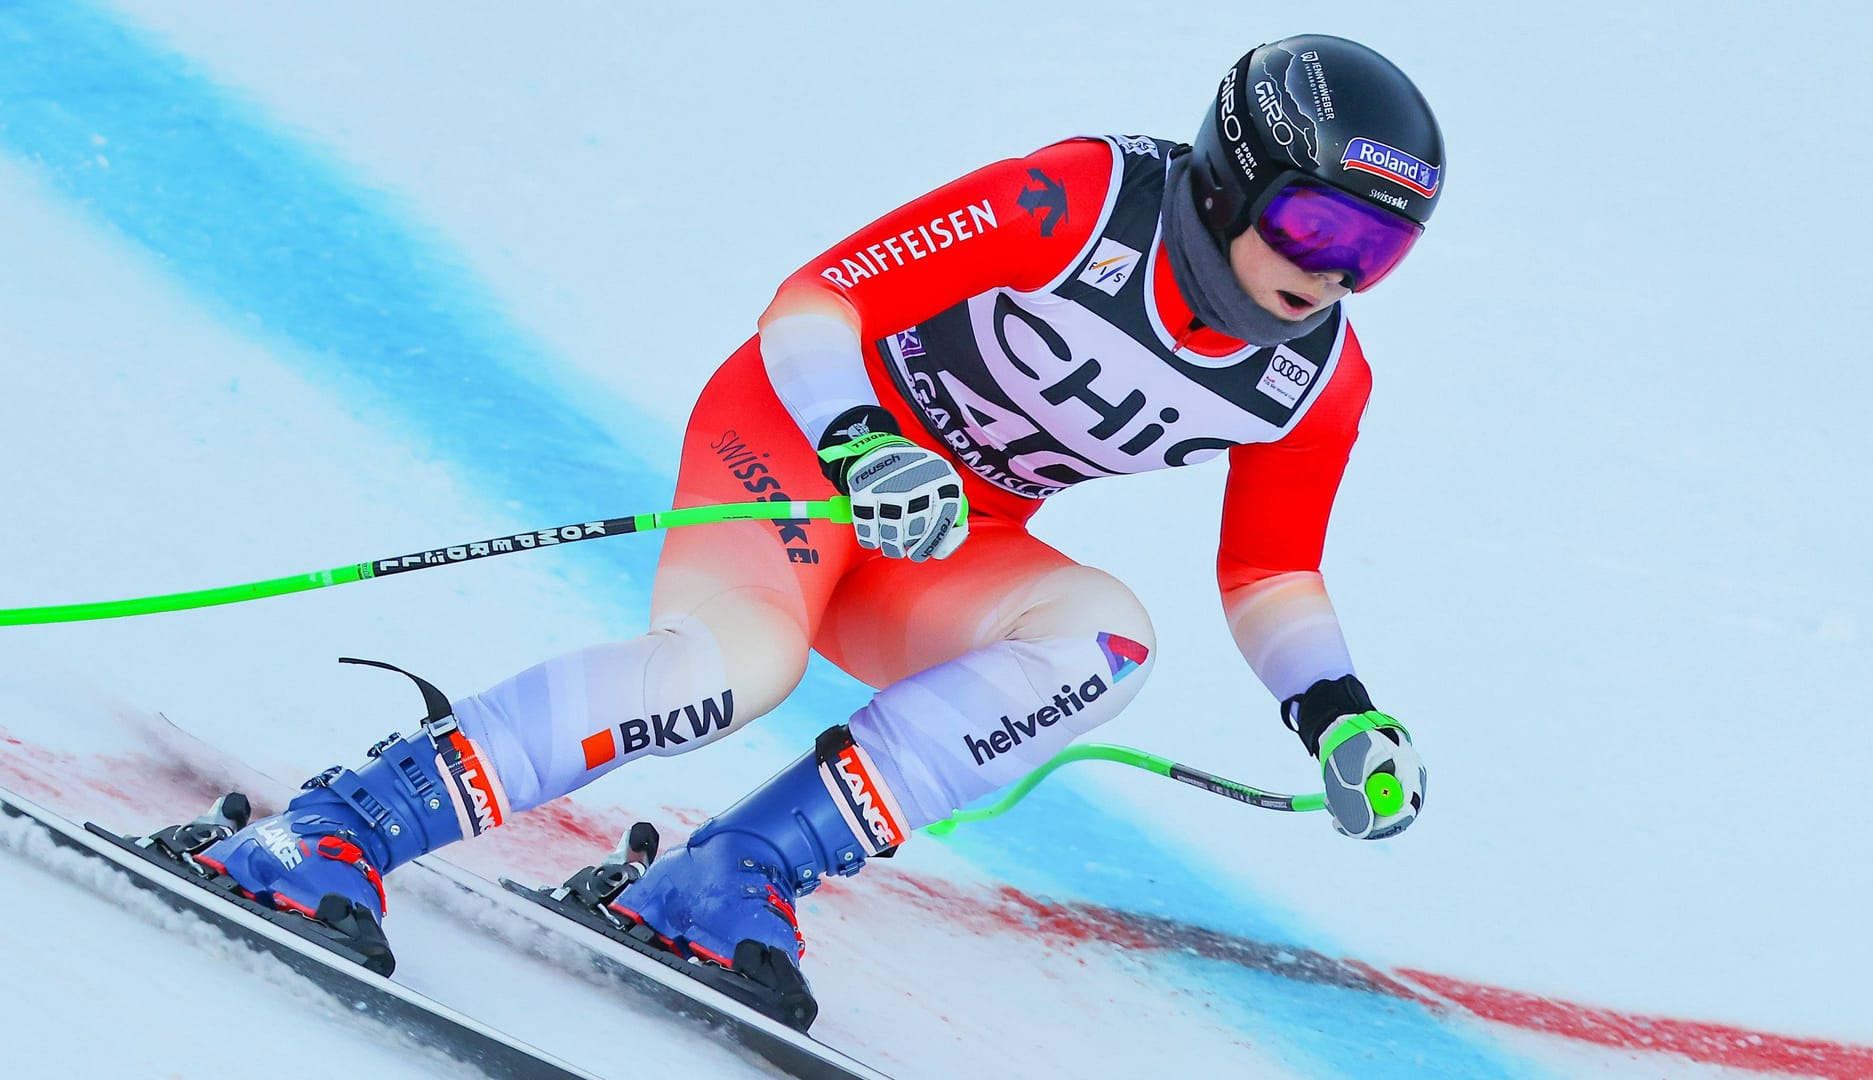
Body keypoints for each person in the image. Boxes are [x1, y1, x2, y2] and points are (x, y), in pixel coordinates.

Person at [180, 34, 1441, 1000]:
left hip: (944, 535)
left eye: (1374, 256)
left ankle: (727, 876)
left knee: (1102, 642)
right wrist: (863, 438)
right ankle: (333, 830)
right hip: (799, 446)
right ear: (1233, 176)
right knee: (734, 672)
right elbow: (817, 298)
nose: (1330, 274)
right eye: (1314, 223)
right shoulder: (1082, 200)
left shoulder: (1317, 378)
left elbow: (1272, 569)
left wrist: (1339, 716)